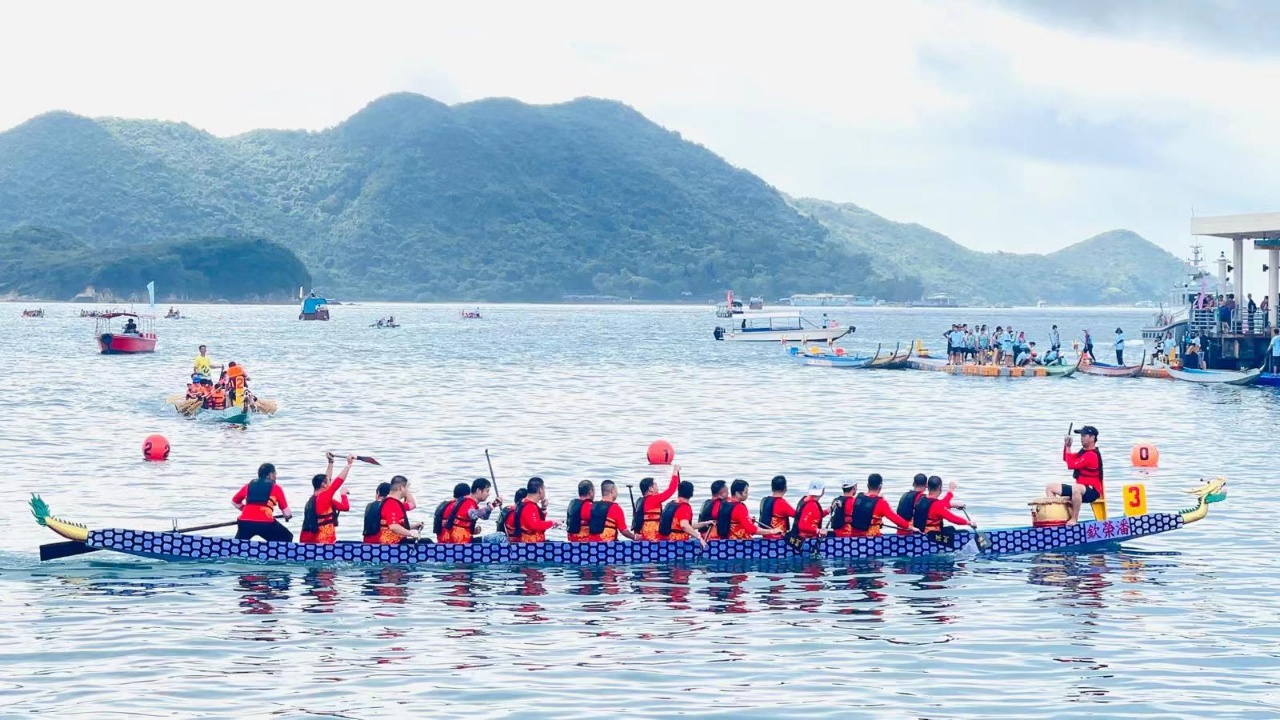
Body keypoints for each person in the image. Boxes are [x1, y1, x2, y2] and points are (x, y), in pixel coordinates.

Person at [1047, 425, 1104, 525]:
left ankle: (1074, 519)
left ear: (1092, 438)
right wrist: (1066, 445)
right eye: (1081, 435)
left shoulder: (1091, 455)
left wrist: (1069, 447)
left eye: (1084, 435)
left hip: (1092, 492)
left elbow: (1071, 465)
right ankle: (1056, 518)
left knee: (1076, 488)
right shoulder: (1083, 452)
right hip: (1078, 489)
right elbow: (1066, 458)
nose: (1081, 438)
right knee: (1050, 487)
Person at [299, 453, 354, 544]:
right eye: (329, 482)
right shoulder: (323, 498)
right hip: (323, 543)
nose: (330, 482)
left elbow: (345, 507)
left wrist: (331, 462)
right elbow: (338, 482)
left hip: (308, 542)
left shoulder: (320, 499)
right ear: (323, 485)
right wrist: (348, 465)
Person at [232, 463, 293, 541]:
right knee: (287, 537)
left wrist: (245, 509)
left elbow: (234, 502)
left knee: (238, 545)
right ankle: (273, 552)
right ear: (271, 474)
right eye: (275, 474)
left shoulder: (248, 486)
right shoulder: (276, 487)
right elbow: (287, 513)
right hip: (266, 523)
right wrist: (288, 516)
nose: (275, 477)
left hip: (245, 522)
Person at [707, 479, 783, 540]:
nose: (747, 494)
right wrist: (772, 531)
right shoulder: (739, 508)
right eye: (745, 492)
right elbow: (752, 530)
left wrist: (748, 519)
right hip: (738, 542)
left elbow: (732, 518)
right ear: (737, 494)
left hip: (726, 539)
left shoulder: (726, 502)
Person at [846, 474, 915, 537]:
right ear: (880, 487)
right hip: (872, 538)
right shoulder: (881, 502)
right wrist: (911, 527)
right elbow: (895, 518)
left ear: (867, 485)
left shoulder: (858, 498)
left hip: (854, 538)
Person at [444, 477, 500, 544]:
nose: (488, 494)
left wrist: (494, 504)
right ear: (478, 491)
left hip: (463, 541)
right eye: (487, 491)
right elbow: (473, 514)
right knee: (500, 536)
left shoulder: (471, 503)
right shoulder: (468, 502)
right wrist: (489, 507)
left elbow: (484, 517)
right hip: (461, 544)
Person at [631, 466, 681, 540]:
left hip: (644, 534)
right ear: (650, 488)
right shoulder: (653, 499)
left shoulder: (639, 501)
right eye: (655, 484)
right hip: (653, 536)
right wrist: (675, 470)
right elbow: (671, 489)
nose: (657, 486)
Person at [657, 480, 711, 548]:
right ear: (691, 493)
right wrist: (699, 538)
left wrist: (705, 523)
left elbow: (686, 526)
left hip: (665, 541)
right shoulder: (684, 507)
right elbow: (684, 526)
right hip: (677, 543)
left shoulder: (671, 504)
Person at [509, 477, 560, 542]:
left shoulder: (524, 503)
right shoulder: (530, 506)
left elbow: (539, 526)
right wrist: (552, 522)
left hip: (528, 541)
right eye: (544, 489)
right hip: (531, 544)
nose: (544, 491)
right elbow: (535, 525)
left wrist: (543, 508)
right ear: (540, 490)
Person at [374, 476, 423, 543]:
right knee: (427, 542)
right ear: (401, 488)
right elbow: (393, 527)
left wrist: (414, 526)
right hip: (392, 544)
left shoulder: (396, 503)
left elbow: (412, 504)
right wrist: (411, 533)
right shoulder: (391, 504)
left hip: (399, 541)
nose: (407, 491)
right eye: (406, 488)